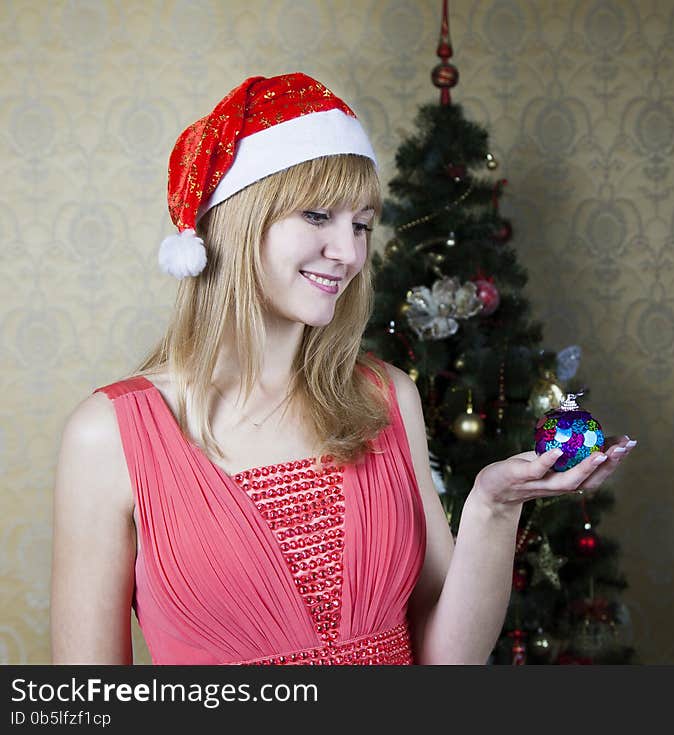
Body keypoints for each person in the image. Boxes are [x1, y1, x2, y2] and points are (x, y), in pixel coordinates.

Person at [50, 72, 636, 665]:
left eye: (360, 224)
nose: (350, 252)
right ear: (235, 221)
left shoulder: (386, 397)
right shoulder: (109, 436)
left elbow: (445, 663)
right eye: (316, 216)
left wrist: (495, 506)